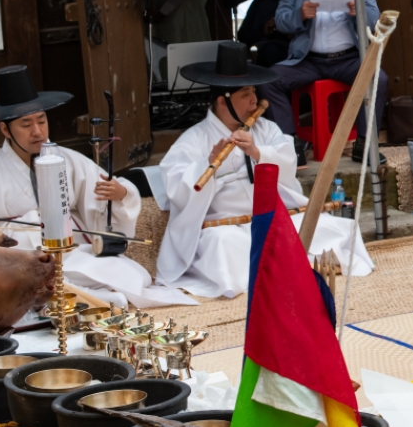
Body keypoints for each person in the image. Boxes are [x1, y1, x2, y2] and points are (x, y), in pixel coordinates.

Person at [156, 41, 373, 299]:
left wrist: (258, 153)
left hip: (272, 216)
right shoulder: (194, 139)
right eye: (246, 95)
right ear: (223, 102)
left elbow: (288, 159)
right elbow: (177, 186)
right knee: (225, 246)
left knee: (330, 227)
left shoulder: (265, 129)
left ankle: (295, 267)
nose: (254, 101)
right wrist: (209, 165)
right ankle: (287, 271)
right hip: (225, 225)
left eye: (253, 92)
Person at [0, 66, 191, 308]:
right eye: (26, 124)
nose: (37, 131)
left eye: (41, 120)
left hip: (71, 252)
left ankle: (80, 300)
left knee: (131, 273)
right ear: (5, 129)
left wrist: (120, 194)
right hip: (20, 261)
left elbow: (103, 197)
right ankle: (84, 300)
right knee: (48, 283)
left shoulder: (69, 159)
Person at [258, 0, 388, 167]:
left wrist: (358, 11)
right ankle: (290, 143)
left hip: (349, 58)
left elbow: (375, 19)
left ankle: (364, 142)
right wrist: (300, 14)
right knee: (268, 80)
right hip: (308, 60)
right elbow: (282, 22)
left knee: (378, 78)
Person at [237, 0, 296, 67]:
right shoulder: (261, 3)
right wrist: (263, 30)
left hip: (297, 57)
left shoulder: (303, 2)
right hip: (267, 59)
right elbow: (243, 37)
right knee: (271, 50)